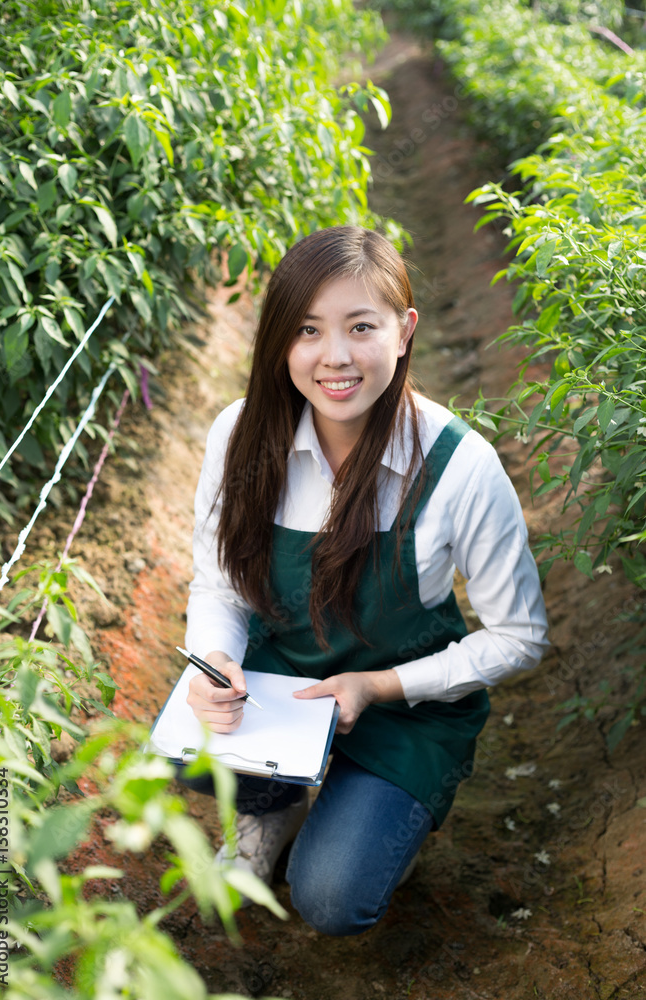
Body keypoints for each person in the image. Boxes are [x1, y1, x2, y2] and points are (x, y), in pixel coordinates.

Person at [181, 225, 549, 937]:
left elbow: (520, 637)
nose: (335, 357)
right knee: (192, 757)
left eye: (361, 327)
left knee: (331, 899)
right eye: (308, 330)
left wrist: (376, 687)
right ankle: (274, 803)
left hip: (403, 711)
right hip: (288, 686)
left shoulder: (458, 467)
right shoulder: (241, 435)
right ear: (278, 340)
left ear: (404, 331)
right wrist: (218, 659)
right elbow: (218, 583)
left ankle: (378, 819)